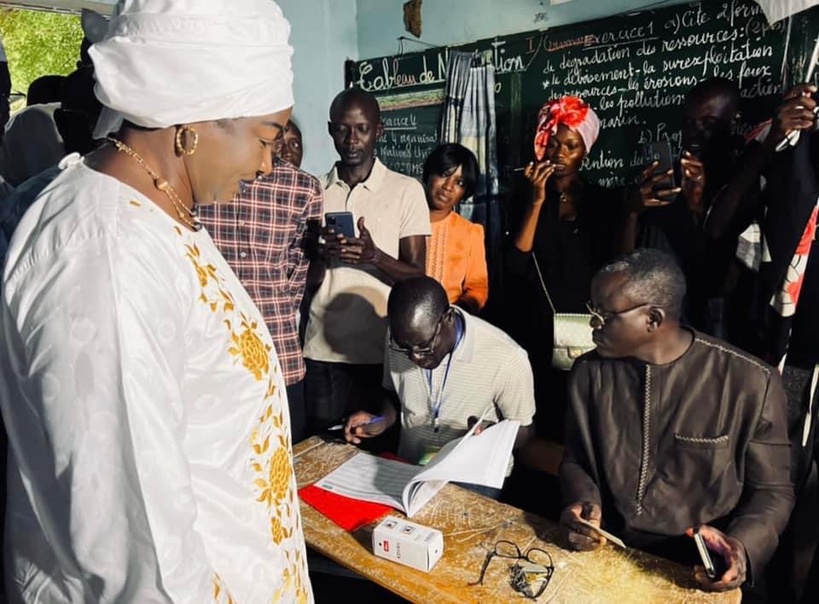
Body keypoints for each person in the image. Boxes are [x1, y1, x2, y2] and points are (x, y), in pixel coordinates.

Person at [0, 1, 313, 602]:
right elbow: (132, 541)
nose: (270, 164)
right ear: (193, 120)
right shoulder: (102, 249)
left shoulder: (163, 210)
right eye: (266, 138)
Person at [560, 248, 794, 595]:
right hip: (607, 553)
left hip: (695, 568)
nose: (592, 324)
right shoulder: (589, 373)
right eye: (592, 310)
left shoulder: (750, 382)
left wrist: (743, 548)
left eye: (604, 315)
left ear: (652, 319)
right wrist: (583, 502)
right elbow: (576, 460)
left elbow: (773, 492)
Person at [302, 87, 429, 435]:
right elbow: (305, 284)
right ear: (330, 130)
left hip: (384, 353)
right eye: (342, 129)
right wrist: (316, 253)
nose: (351, 139)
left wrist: (375, 257)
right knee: (321, 455)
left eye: (362, 129)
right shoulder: (314, 190)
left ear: (379, 130)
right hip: (322, 352)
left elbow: (419, 279)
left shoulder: (406, 190)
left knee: (376, 457)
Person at [343, 276, 534, 497]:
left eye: (424, 346)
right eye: (406, 348)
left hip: (471, 477)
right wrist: (383, 420)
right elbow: (393, 396)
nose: (414, 357)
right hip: (411, 466)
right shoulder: (399, 339)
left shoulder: (507, 358)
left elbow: (526, 432)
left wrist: (492, 433)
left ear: (448, 318)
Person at [199, 118, 322, 444]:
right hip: (212, 354)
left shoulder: (303, 188)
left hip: (278, 354)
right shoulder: (199, 179)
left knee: (288, 458)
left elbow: (300, 271)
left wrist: (272, 312)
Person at [507, 95, 622, 443]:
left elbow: (614, 263)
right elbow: (516, 262)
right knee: (539, 419)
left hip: (588, 329)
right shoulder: (523, 197)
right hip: (536, 326)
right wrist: (537, 199)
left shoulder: (603, 201)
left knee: (585, 421)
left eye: (571, 146)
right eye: (554, 144)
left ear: (585, 151)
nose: (560, 154)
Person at [626, 78, 744, 335]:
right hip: (652, 324)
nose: (695, 132)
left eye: (708, 123)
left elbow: (723, 275)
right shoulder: (665, 180)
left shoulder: (742, 180)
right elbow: (625, 263)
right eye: (689, 123)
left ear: (734, 119)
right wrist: (633, 211)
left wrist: (698, 208)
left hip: (707, 330)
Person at [423, 143, 488, 314]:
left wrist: (456, 312)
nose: (448, 187)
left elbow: (478, 289)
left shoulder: (470, 233)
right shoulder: (402, 221)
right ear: (429, 174)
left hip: (448, 327)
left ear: (465, 191)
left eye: (459, 182)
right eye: (444, 175)